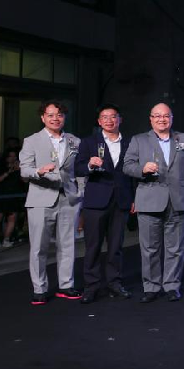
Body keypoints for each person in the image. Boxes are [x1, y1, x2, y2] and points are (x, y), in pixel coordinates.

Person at [123, 103, 184, 303]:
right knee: (149, 248)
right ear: (151, 119)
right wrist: (142, 169)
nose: (162, 119)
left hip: (178, 199)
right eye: (157, 116)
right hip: (149, 200)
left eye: (166, 116)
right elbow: (127, 166)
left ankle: (172, 286)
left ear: (171, 118)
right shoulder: (139, 140)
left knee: (176, 248)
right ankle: (151, 287)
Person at [19, 100, 83, 304]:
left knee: (68, 245)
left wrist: (81, 192)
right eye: (51, 115)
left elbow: (79, 169)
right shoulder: (32, 140)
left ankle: (66, 285)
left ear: (64, 117)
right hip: (41, 198)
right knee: (39, 247)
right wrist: (39, 171)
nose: (55, 118)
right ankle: (39, 288)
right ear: (43, 117)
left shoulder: (74, 140)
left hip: (69, 199)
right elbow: (24, 169)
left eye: (60, 115)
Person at [73, 104, 135, 304]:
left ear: (120, 119)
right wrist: (90, 165)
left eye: (113, 116)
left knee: (116, 246)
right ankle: (91, 286)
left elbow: (133, 173)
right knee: (93, 246)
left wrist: (134, 198)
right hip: (96, 201)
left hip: (121, 200)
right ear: (99, 122)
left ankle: (114, 283)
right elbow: (78, 168)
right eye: (105, 117)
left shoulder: (131, 143)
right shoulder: (89, 142)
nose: (109, 120)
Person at [0, 150, 25, 248]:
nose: (13, 158)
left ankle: (6, 239)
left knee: (12, 218)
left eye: (15, 156)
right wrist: (8, 172)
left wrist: (21, 170)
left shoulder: (19, 168)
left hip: (13, 195)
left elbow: (24, 180)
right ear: (6, 157)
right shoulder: (0, 167)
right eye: (11, 156)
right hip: (0, 195)